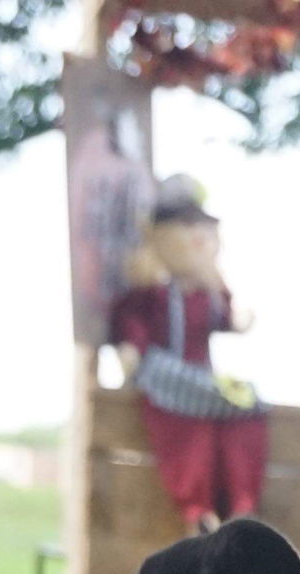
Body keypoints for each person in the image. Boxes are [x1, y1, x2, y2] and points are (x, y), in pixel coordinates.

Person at [108, 176, 267, 535]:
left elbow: (226, 320)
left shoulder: (207, 294)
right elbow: (132, 326)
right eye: (186, 224)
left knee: (246, 407)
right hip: (167, 378)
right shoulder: (153, 294)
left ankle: (241, 502)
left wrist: (240, 320)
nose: (198, 235)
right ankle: (197, 509)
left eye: (203, 227)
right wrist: (130, 351)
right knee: (189, 431)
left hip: (203, 381)